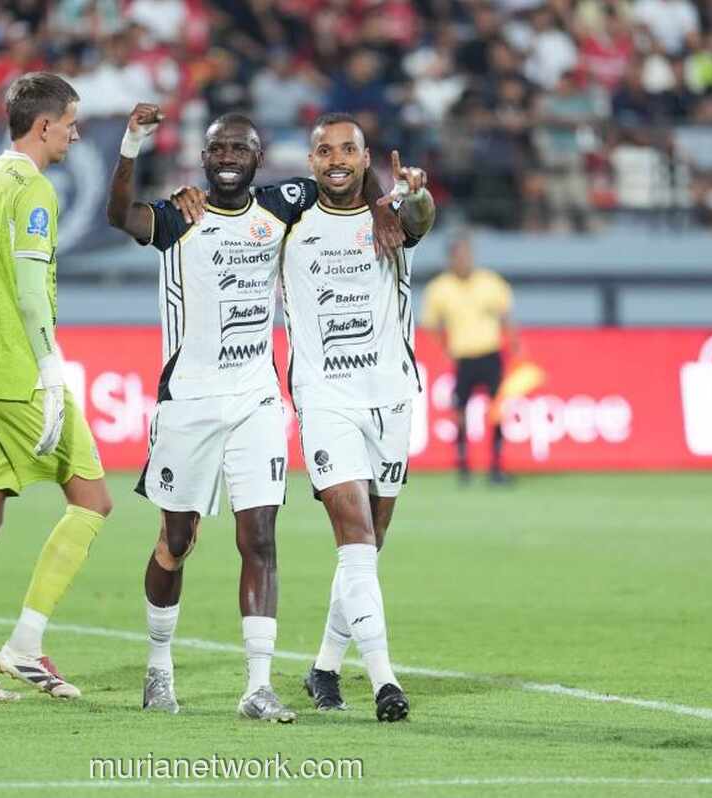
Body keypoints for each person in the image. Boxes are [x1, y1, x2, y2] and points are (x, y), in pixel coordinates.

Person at [113, 106, 402, 722]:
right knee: (176, 541)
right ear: (203, 157)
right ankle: (159, 665)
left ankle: (258, 686)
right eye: (218, 149)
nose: (228, 159)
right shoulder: (179, 216)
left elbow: (349, 178)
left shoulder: (282, 203)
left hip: (257, 398)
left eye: (239, 149)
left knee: (261, 537)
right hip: (189, 401)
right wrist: (132, 145)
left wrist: (383, 207)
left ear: (258, 159)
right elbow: (120, 216)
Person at [0, 72, 113, 703]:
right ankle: (24, 643)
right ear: (43, 126)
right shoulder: (35, 189)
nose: (75, 134)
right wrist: (50, 370)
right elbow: (32, 292)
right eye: (69, 123)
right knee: (93, 501)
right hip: (18, 373)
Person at [282, 113, 434, 722]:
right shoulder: (287, 223)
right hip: (325, 399)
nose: (337, 159)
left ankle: (324, 666)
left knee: (369, 544)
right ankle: (383, 680)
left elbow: (421, 219)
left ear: (366, 158)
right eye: (326, 151)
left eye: (348, 149)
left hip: (391, 395)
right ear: (311, 161)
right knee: (356, 538)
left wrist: (413, 195)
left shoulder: (391, 215)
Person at [420, 232, 518, 484]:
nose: (465, 259)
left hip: (490, 353)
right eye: (460, 255)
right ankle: (463, 464)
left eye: (467, 254)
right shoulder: (440, 288)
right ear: (451, 258)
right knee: (460, 410)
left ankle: (496, 465)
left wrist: (514, 343)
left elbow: (505, 315)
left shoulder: (489, 282)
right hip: (463, 357)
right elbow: (432, 323)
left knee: (496, 409)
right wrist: (446, 346)